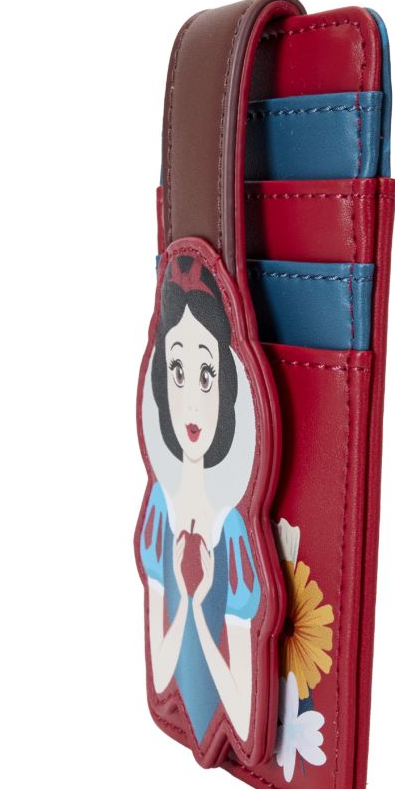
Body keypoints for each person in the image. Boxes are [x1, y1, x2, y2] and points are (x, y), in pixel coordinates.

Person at [137, 253, 260, 745]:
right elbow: (162, 673)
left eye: (206, 374)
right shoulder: (159, 512)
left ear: (227, 382)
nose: (190, 400)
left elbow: (245, 717)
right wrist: (188, 602)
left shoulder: (234, 533)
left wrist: (199, 606)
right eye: (177, 370)